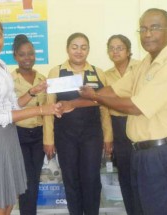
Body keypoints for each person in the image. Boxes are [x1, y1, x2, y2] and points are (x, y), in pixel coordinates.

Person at [79, 8, 167, 215]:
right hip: (140, 154)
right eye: (143, 29)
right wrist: (74, 103)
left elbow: (136, 107)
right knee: (140, 209)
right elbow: (113, 91)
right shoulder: (145, 64)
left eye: (155, 28)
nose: (147, 34)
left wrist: (94, 96)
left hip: (161, 154)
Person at [0, 17, 61, 215]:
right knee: (0, 200)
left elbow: (12, 104)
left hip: (9, 135)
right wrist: (41, 110)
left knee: (11, 198)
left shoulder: (0, 64)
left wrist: (33, 92)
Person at [44, 32, 113, 215]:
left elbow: (104, 108)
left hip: (92, 135)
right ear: (67, 49)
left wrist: (108, 136)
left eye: (83, 47)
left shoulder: (97, 73)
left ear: (88, 50)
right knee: (71, 179)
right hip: (65, 135)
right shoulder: (56, 72)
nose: (79, 51)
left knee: (91, 178)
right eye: (75, 47)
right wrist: (48, 139)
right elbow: (49, 108)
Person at [104, 34, 140, 215]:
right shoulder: (105, 75)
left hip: (139, 123)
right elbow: (104, 108)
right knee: (125, 176)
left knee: (142, 175)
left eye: (119, 47)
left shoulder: (141, 68)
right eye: (111, 48)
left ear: (128, 50)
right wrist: (108, 137)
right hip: (117, 126)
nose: (115, 51)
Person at [11, 34, 46, 215]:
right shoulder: (9, 80)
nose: (27, 58)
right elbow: (10, 108)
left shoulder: (42, 78)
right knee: (26, 181)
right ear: (15, 56)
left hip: (39, 135)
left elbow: (47, 109)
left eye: (31, 54)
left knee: (35, 179)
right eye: (22, 54)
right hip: (19, 135)